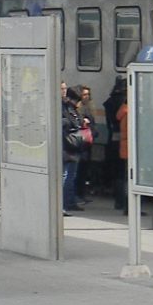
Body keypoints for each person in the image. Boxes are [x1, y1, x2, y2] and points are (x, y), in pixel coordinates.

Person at [61, 82, 92, 213]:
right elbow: (66, 122)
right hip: (67, 146)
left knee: (71, 176)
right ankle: (64, 203)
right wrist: (80, 122)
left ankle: (70, 201)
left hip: (72, 146)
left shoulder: (70, 108)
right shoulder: (66, 108)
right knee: (66, 176)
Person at [102, 77, 126, 208]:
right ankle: (125, 202)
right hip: (124, 140)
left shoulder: (110, 102)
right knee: (124, 172)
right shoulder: (124, 104)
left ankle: (119, 200)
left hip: (112, 138)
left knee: (118, 171)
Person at [111, 86, 130, 211]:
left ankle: (121, 202)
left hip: (124, 147)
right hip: (129, 148)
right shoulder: (129, 113)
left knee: (123, 176)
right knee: (128, 178)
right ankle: (126, 204)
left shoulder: (123, 112)